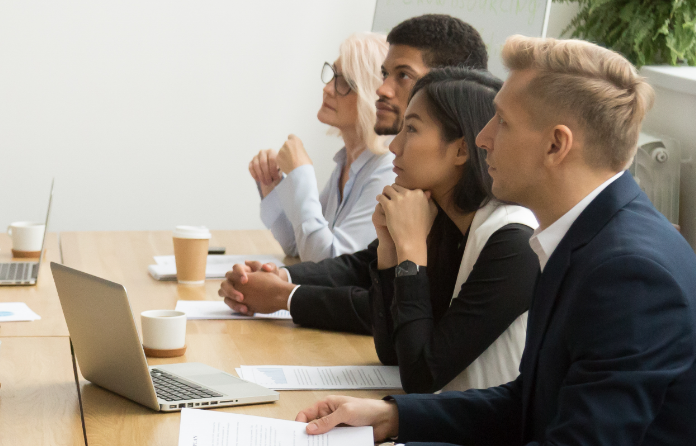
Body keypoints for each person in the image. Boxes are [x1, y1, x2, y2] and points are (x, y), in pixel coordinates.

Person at [257, 37, 696, 446]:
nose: (483, 136)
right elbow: (529, 403)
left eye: (502, 122)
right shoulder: (584, 235)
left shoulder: (630, 273)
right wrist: (392, 416)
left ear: (556, 145)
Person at [223, 68, 539, 392]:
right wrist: (390, 248)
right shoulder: (442, 220)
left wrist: (411, 252)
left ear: (461, 150)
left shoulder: (513, 243)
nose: (394, 147)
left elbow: (420, 376)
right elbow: (392, 354)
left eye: (411, 130)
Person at [233, 14, 491, 334]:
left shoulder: (493, 231)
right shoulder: (415, 187)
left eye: (403, 76)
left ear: (450, 86)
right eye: (384, 74)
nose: (382, 89)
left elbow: (401, 331)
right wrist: (281, 280)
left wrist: (284, 295)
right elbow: (357, 268)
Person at [249, 33, 394, 263]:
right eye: (332, 75)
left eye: (345, 82)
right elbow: (298, 245)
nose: (327, 89)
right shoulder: (348, 162)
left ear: (371, 95)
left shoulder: (386, 172)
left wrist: (301, 175)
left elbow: (330, 263)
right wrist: (273, 184)